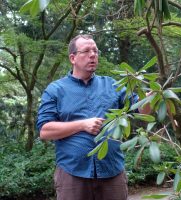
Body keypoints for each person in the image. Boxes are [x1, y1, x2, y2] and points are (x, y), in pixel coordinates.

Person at [36, 34, 149, 200]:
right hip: (72, 174)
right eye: (87, 51)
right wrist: (82, 125)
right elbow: (45, 131)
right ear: (73, 58)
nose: (93, 55)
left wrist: (152, 96)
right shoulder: (56, 90)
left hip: (112, 172)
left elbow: (142, 111)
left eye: (95, 51)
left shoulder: (112, 85)